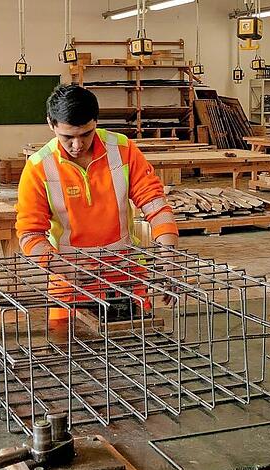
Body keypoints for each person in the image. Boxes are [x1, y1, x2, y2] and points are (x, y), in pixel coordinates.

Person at [15, 85, 178, 316]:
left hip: (125, 276)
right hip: (70, 283)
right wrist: (64, 267)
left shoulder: (122, 150)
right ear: (51, 124)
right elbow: (30, 235)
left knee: (136, 336)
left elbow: (155, 204)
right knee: (65, 336)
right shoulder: (39, 167)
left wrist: (169, 256)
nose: (77, 145)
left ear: (96, 122)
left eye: (86, 134)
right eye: (67, 137)